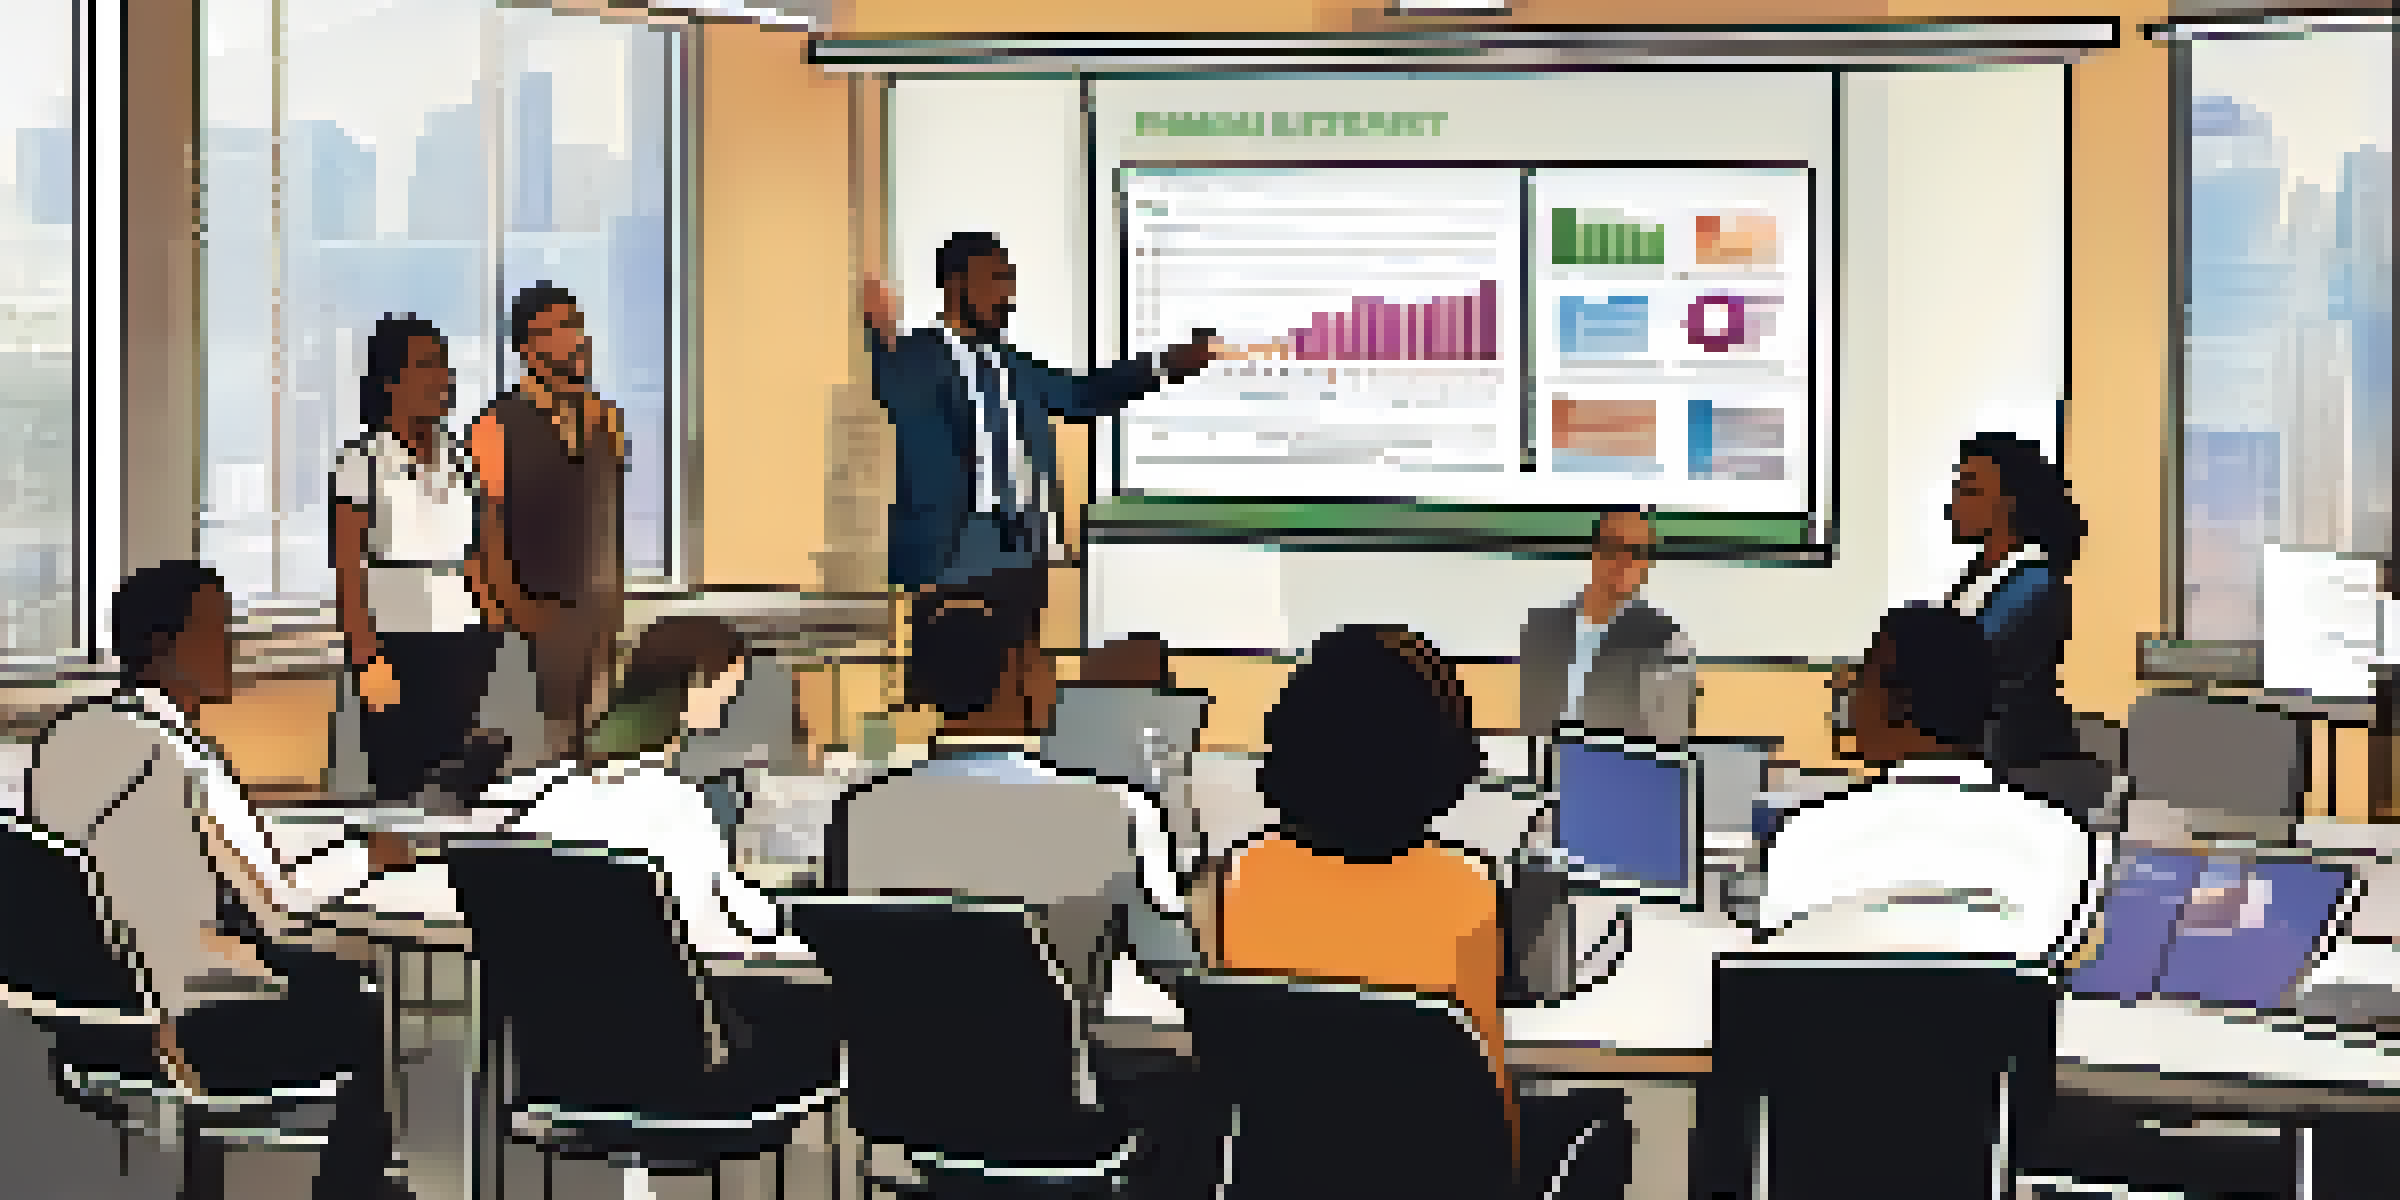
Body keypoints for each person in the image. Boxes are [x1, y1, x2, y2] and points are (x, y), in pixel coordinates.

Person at [27, 562, 415, 1199]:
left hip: (89, 1026)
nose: (232, 646)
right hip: (197, 1033)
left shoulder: (65, 741)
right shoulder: (184, 760)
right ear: (164, 647)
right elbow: (280, 908)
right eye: (215, 630)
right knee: (363, 1000)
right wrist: (364, 860)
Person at [1215, 625, 1627, 1197]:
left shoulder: (1239, 879)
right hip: (1443, 1180)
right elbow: (1495, 1121)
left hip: (1290, 1176)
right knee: (1605, 1115)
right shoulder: (1467, 892)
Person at [832, 595, 1207, 1194]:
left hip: (914, 1117)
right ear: (1018, 672)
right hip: (1058, 1120)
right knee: (1196, 1089)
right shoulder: (1110, 809)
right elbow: (1176, 967)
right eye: (1044, 660)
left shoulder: (860, 811)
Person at [863, 233, 1222, 706]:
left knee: (1019, 688)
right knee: (951, 694)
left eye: (1010, 281)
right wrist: (876, 335)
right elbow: (885, 389)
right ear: (955, 284)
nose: (1008, 297)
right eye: (995, 280)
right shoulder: (913, 358)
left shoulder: (1014, 367)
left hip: (1021, 552)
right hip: (950, 556)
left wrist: (1163, 365)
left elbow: (1081, 396)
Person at [495, 616, 834, 1098]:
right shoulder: (672, 802)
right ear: (695, 684)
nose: (731, 702)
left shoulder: (543, 798)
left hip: (559, 1068)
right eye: (730, 685)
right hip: (675, 1071)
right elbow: (717, 934)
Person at [1773, 605, 2099, 959]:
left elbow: (1773, 970)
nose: (1850, 699)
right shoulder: (2062, 843)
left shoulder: (1809, 835)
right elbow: (2053, 974)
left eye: (1860, 681)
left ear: (1892, 703)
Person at [333, 314, 506, 808]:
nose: (441, 380)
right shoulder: (362, 463)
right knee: (398, 784)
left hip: (464, 644)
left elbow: (479, 549)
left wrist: (491, 625)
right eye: (427, 366)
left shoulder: (460, 461)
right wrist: (365, 656)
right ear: (391, 382)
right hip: (393, 646)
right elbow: (348, 567)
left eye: (444, 366)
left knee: (457, 785)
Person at [470, 282, 626, 759]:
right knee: (532, 774)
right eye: (559, 328)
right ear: (527, 346)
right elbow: (483, 541)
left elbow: (609, 525)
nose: (576, 339)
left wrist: (611, 613)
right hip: (527, 635)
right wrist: (517, 623)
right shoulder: (497, 427)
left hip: (595, 637)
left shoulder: (606, 421)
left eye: (577, 326)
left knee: (596, 768)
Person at [1942, 432, 2106, 821]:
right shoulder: (1980, 577)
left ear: (2009, 504)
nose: (1954, 504)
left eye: (1971, 490)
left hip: (2020, 769)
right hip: (1982, 760)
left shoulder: (2034, 581)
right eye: (1958, 487)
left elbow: (1965, 660)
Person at [1517, 507, 1698, 740]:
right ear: (1595, 552)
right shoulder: (1541, 630)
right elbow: (1531, 729)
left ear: (1647, 564)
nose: (1625, 561)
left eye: (1636, 551)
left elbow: (1671, 742)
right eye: (1615, 547)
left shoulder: (1667, 641)